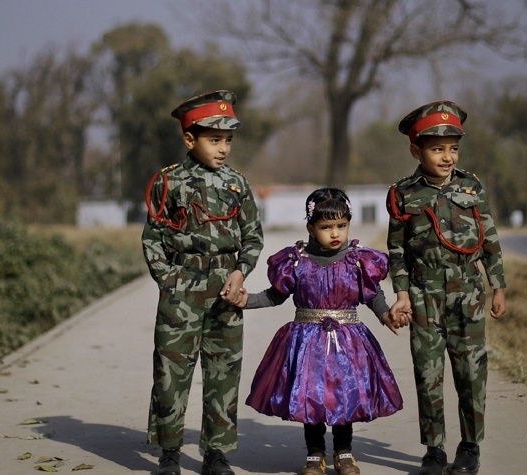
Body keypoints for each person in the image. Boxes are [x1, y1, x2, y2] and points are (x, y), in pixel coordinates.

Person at [232, 188, 411, 475]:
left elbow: (372, 295)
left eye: (341, 225)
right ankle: (314, 453)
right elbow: (275, 295)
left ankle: (344, 452)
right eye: (326, 227)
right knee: (310, 397)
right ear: (311, 228)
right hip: (306, 342)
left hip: (348, 342)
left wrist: (386, 315)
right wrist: (246, 301)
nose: (335, 233)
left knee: (345, 395)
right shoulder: (296, 260)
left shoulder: (357, 261)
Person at [141, 90, 264, 475]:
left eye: (228, 139)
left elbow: (253, 236)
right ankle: (169, 453)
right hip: (182, 287)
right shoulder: (169, 181)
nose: (224, 147)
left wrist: (241, 271)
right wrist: (169, 280)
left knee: (223, 370)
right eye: (215, 139)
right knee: (172, 369)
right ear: (190, 139)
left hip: (226, 287)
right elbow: (153, 237)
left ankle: (216, 453)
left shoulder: (237, 184)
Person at [386, 100, 507, 475]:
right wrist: (402, 292)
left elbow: (489, 238)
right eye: (437, 149)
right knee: (428, 374)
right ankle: (434, 450)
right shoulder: (403, 193)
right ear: (416, 150)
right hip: (424, 295)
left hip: (468, 292)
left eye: (453, 148)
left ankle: (470, 448)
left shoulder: (472, 186)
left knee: (471, 372)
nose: (447, 156)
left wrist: (498, 285)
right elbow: (396, 250)